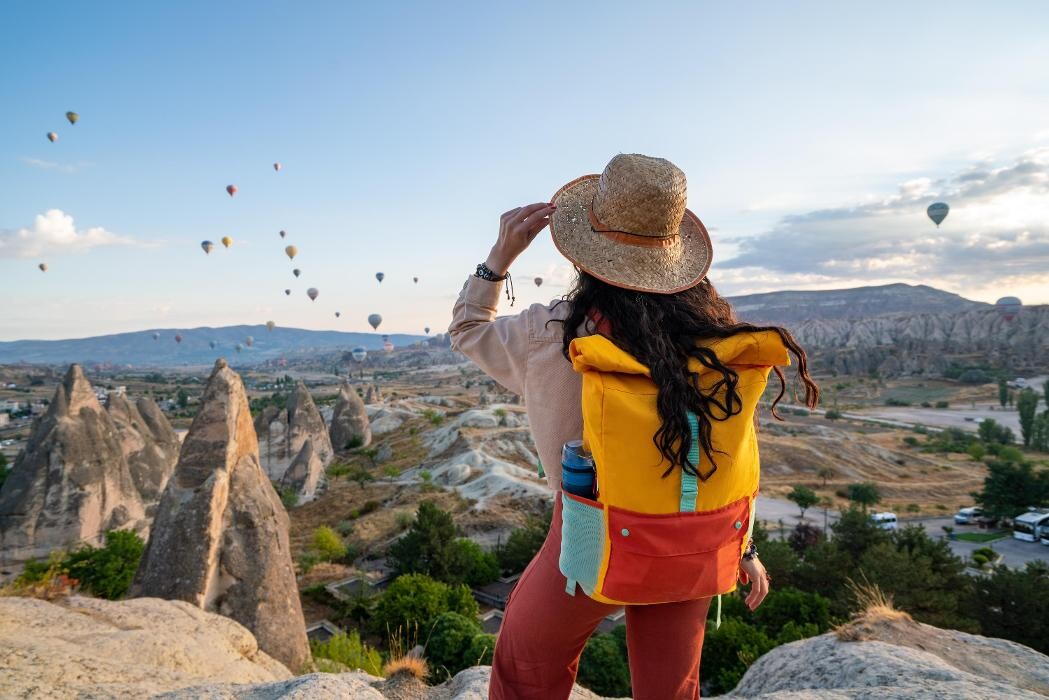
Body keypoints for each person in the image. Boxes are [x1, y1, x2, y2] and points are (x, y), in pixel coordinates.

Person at [449, 154, 819, 699]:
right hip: (693, 538)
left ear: (585, 251)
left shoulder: (553, 332)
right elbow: (731, 450)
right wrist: (744, 548)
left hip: (588, 535)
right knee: (670, 691)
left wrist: (498, 258)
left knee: (525, 673)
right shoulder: (720, 338)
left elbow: (466, 329)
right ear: (677, 254)